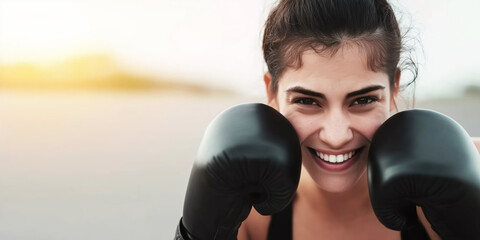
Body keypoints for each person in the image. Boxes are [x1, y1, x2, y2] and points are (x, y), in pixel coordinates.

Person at [174, 0, 480, 239]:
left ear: (394, 88)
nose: (336, 136)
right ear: (272, 91)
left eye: (362, 100)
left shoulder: (456, 187)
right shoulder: (247, 214)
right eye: (307, 101)